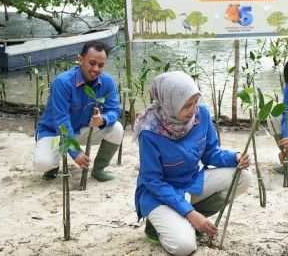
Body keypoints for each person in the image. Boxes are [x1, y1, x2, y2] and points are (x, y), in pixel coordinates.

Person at [134, 71, 252, 256]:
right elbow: (154, 182)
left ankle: (188, 217)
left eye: (196, 102)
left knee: (243, 177)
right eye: (187, 105)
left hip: (190, 183)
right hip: (159, 195)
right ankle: (155, 226)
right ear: (169, 103)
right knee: (185, 247)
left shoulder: (201, 114)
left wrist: (235, 156)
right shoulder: (149, 131)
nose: (195, 110)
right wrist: (189, 212)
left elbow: (211, 153)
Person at [32, 41, 124, 182]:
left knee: (117, 128)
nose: (96, 69)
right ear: (80, 60)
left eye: (101, 65)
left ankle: (98, 170)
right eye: (92, 63)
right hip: (54, 133)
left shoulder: (108, 82)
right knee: (43, 164)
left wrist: (103, 119)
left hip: (81, 130)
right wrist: (76, 153)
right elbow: (61, 122)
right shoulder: (62, 83)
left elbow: (114, 110)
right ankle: (52, 168)